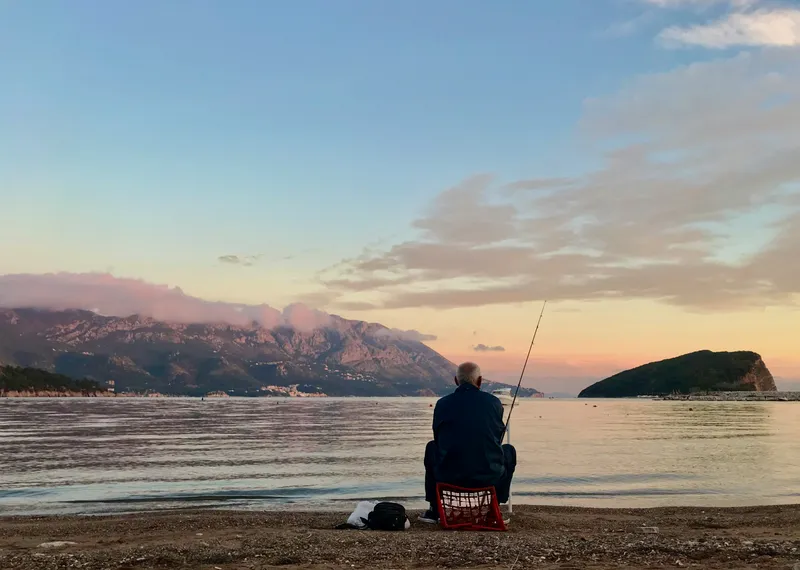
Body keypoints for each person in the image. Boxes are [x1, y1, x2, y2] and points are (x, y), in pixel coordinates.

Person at [419, 362, 517, 523]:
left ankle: (434, 510)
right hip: (488, 477)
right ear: (480, 381)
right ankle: (496, 507)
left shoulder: (443, 403)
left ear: (456, 380)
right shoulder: (493, 403)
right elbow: (496, 437)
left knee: (431, 447)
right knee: (509, 451)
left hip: (448, 476)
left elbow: (438, 437)